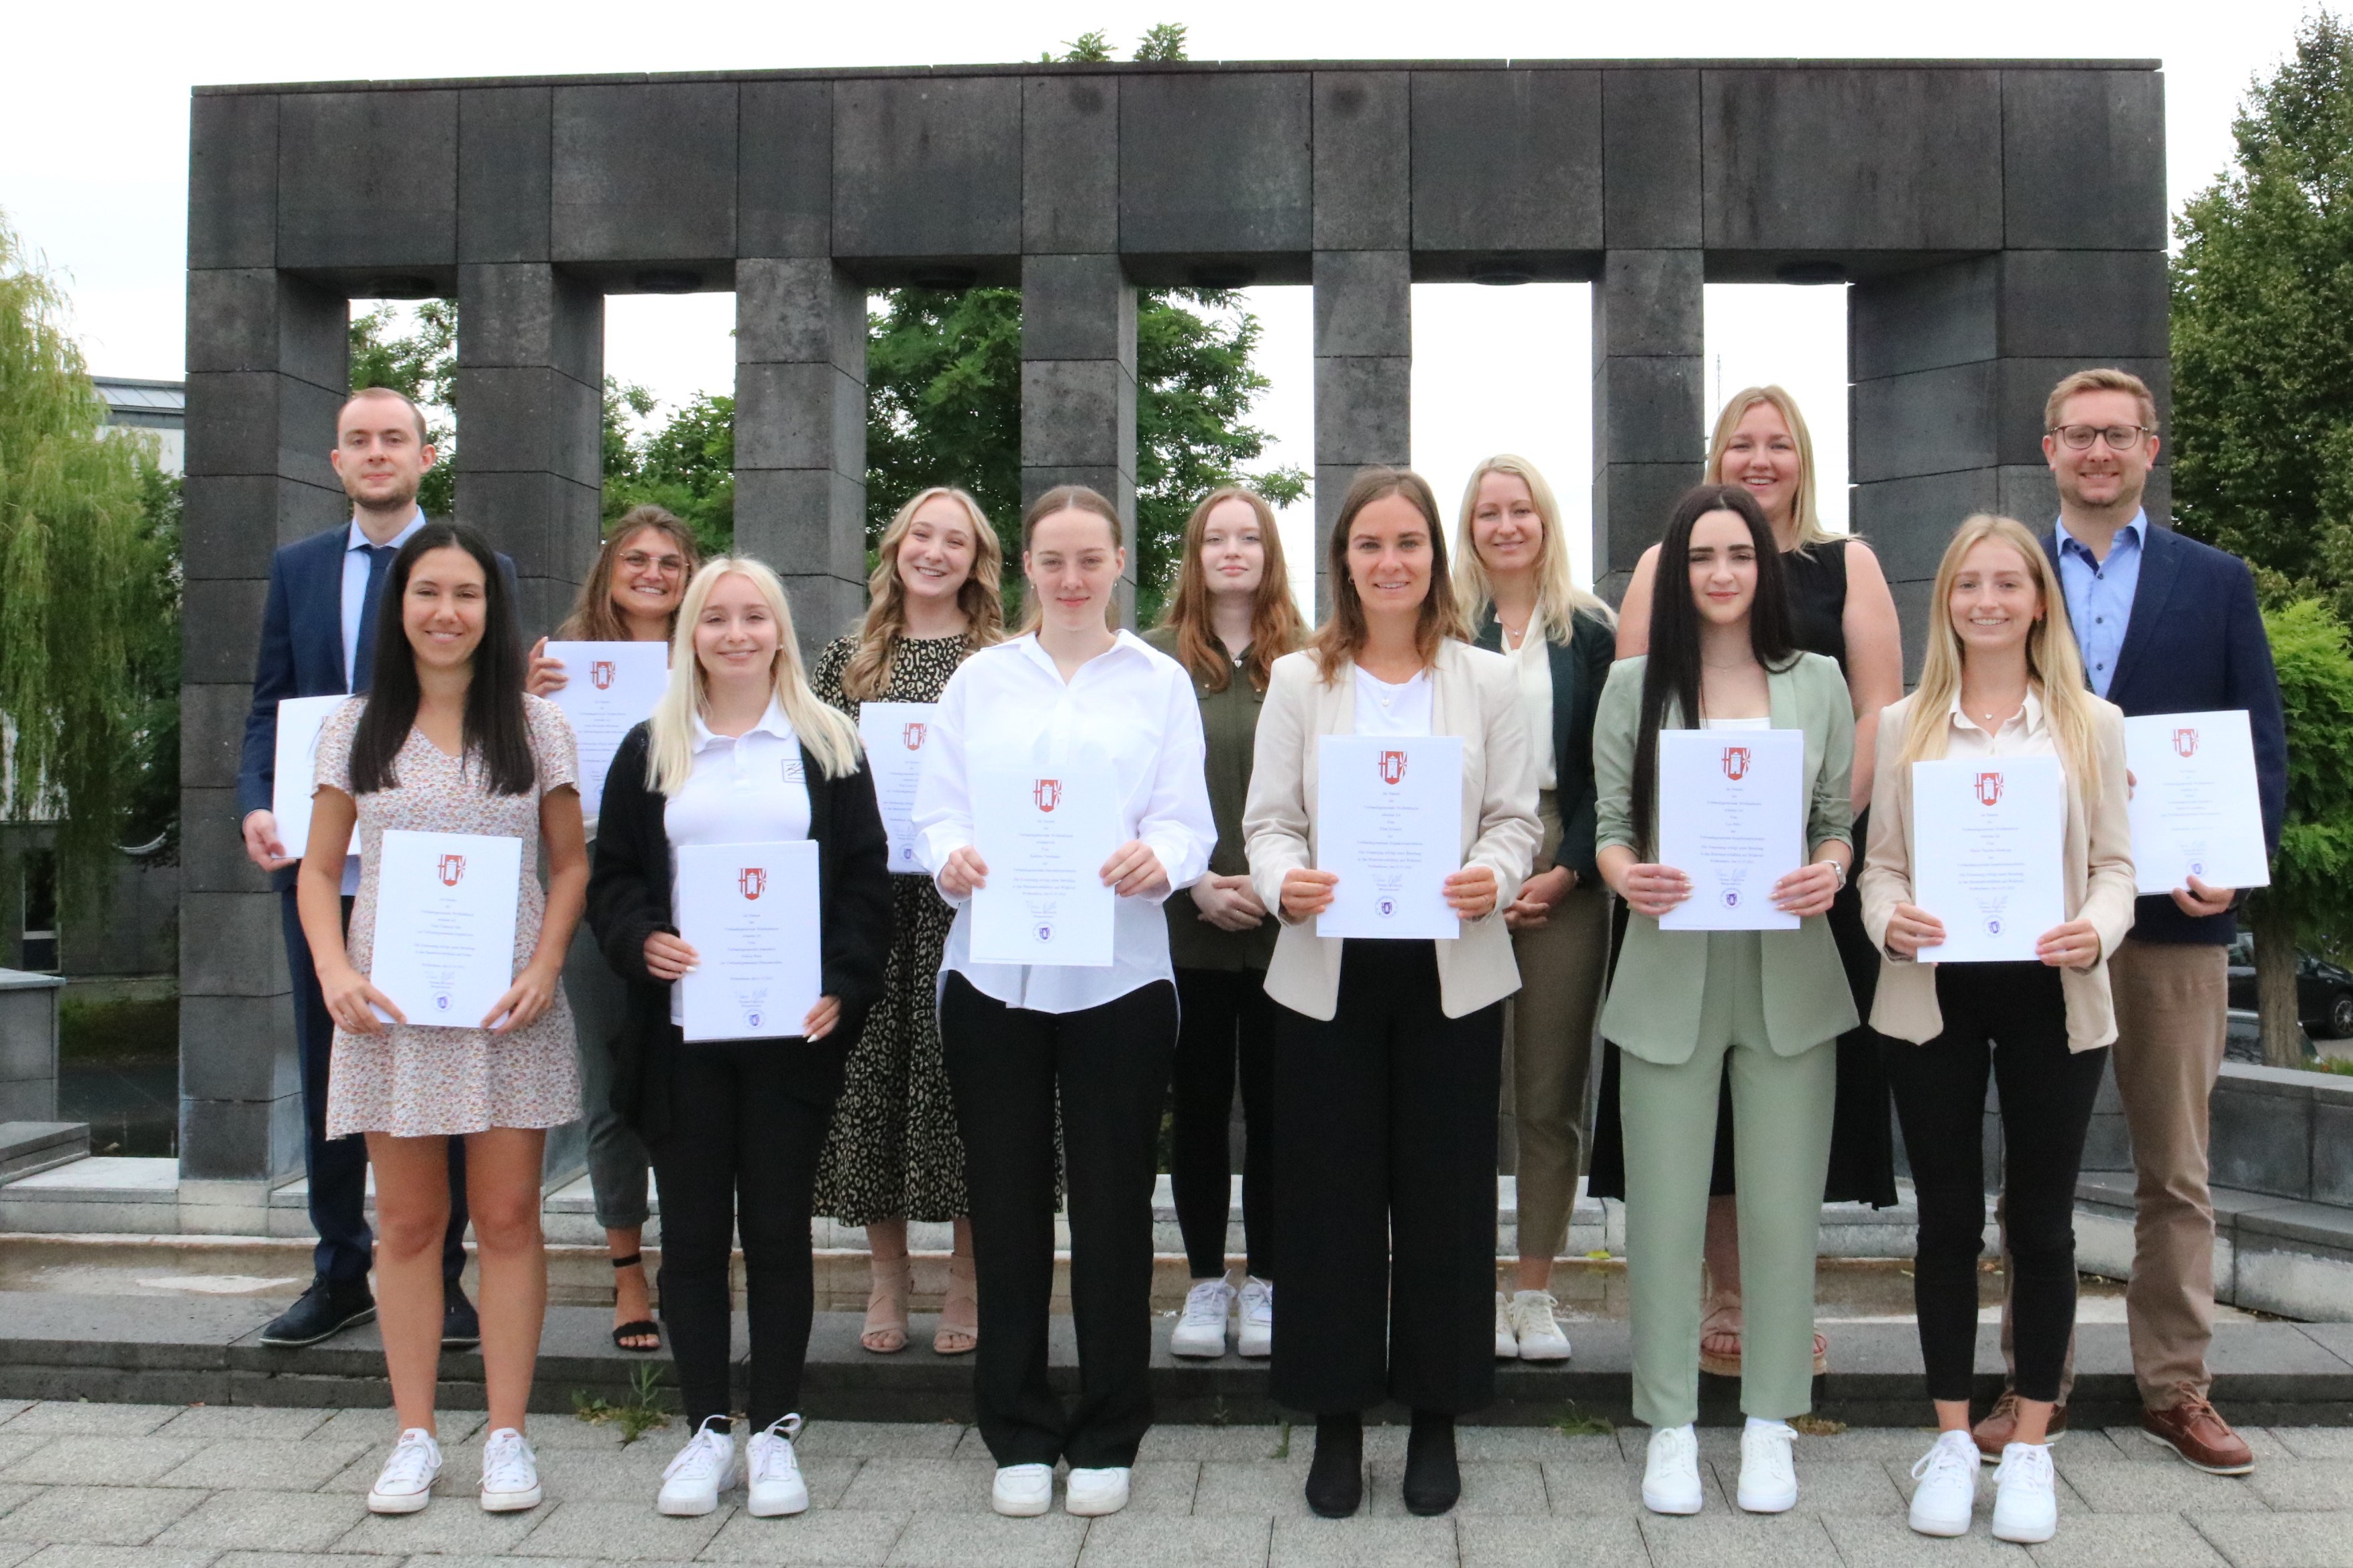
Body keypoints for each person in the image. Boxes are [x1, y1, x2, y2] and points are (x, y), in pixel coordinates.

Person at [1977, 368, 2285, 1473]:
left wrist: (2234, 869)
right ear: (2048, 448)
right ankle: (2033, 1382)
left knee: (2176, 1169)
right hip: (2041, 920)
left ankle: (2176, 1385)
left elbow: (2257, 738)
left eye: (2118, 434)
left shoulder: (2215, 580)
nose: (2097, 452)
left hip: (2172, 920)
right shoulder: (2007, 577)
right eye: (2079, 435)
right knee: (2037, 1170)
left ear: (2150, 447)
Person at [1243, 466, 1541, 1520]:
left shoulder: (1488, 679)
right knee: (1328, 1198)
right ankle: (1334, 1417)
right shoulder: (1297, 680)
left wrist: (1493, 875)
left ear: (1434, 557)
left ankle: (1435, 1415)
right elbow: (1269, 822)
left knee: (1446, 1198)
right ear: (1344, 561)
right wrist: (1284, 880)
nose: (1390, 561)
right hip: (1328, 967)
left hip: (1449, 969)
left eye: (1408, 542)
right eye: (1369, 543)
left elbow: (1516, 818)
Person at [914, 485, 1214, 1521]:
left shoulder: (1159, 683)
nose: (1073, 578)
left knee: (1114, 1206)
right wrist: (952, 855)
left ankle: (1110, 1425)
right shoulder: (981, 680)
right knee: (1004, 1206)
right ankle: (1018, 1426)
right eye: (1053, 560)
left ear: (1120, 561)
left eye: (1091, 559)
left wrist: (1160, 856)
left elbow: (1189, 822)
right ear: (1028, 566)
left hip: (1119, 978)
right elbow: (936, 811)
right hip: (992, 975)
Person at [1603, 386, 1904, 1377]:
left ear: (1803, 457)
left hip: (1799, 882)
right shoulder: (1663, 564)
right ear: (1716, 456)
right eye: (1742, 442)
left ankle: (1779, 1304)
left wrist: (1816, 838)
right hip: (1683, 884)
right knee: (1694, 1105)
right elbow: (1638, 724)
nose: (1760, 458)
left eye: (1779, 443)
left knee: (1789, 1098)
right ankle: (1723, 1296)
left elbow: (1877, 709)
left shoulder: (1846, 563)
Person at [586, 557, 891, 1518]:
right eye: (715, 618)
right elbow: (613, 874)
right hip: (684, 1032)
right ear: (692, 635)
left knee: (778, 1230)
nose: (735, 633)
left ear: (779, 631)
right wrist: (642, 937)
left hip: (790, 1031)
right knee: (692, 1236)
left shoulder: (829, 742)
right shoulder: (652, 745)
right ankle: (707, 1429)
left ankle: (776, 1429)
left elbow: (864, 880)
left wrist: (843, 984)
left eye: (753, 616)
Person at [298, 522, 586, 1516]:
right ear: (400, 606)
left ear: (491, 610)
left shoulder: (537, 726)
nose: (447, 612)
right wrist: (334, 968)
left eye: (467, 594)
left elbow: (571, 864)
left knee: (508, 1219)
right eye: (428, 592)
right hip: (395, 1012)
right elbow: (319, 869)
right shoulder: (355, 726)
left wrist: (546, 964)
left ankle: (507, 1435)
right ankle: (413, 1435)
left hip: (508, 1007)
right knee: (411, 1224)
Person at [1861, 515, 2136, 1545]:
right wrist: (1889, 918)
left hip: (2053, 995)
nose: (1987, 600)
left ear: (2037, 602)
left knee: (2044, 1225)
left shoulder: (2091, 723)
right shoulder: (1904, 723)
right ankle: (1948, 1438)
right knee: (1945, 1220)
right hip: (1932, 995)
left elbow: (2117, 866)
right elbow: (1881, 867)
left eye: (2007, 583)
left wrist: (2095, 929)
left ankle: (2026, 1444)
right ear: (1947, 601)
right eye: (1968, 583)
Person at [1592, 483, 1856, 1518]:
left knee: (1783, 1209)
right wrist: (1628, 877)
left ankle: (1770, 1420)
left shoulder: (1818, 681)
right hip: (1669, 969)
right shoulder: (1634, 686)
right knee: (1662, 1211)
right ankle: (1667, 1423)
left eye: (1739, 554)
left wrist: (1831, 866)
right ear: (1677, 570)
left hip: (1789, 972)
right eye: (1701, 556)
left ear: (1764, 566)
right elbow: (1611, 825)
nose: (1721, 573)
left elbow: (1835, 818)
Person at [235, 386, 480, 1351]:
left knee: (444, 1066)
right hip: (326, 868)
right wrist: (255, 801)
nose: (377, 453)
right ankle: (340, 1269)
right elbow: (269, 704)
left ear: (425, 455)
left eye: (394, 438)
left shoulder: (473, 566)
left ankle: (444, 1277)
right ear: (337, 462)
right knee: (332, 1068)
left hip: (438, 868)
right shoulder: (297, 568)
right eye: (359, 441)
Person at [808, 487, 1005, 1357]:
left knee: (966, 1083)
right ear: (895, 547)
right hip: (871, 907)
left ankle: (966, 1274)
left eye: (954, 540)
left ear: (977, 560)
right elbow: (815, 776)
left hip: (968, 901)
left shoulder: (1000, 661)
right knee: (869, 1085)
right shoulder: (845, 661)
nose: (934, 551)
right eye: (921, 534)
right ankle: (888, 1275)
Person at [1452, 455, 1617, 1363]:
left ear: (1545, 521)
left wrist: (1567, 869)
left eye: (1521, 509)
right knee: (1462, 1085)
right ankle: (1466, 1281)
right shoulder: (1445, 623)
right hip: (1461, 859)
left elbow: (1608, 767)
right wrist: (1475, 866)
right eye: (1489, 512)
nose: (1506, 525)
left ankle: (1534, 1289)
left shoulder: (1588, 629)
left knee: (1548, 1091)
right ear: (1469, 527)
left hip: (1563, 863)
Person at [525, 506, 701, 1353]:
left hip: (694, 877)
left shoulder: (711, 651)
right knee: (610, 1081)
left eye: (670, 561)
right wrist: (525, 705)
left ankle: (694, 1259)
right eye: (636, 558)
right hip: (595, 873)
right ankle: (627, 1266)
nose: (653, 573)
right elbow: (517, 775)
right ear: (609, 570)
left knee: (695, 1078)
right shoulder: (562, 663)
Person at [1146, 487, 1303, 1360]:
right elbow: (1133, 791)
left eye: (1249, 537)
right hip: (1187, 924)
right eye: (1216, 538)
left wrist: (1277, 882)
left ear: (1270, 553)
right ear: (1195, 554)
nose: (1233, 550)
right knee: (1200, 1111)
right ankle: (1206, 1281)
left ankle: (1273, 1280)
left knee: (1281, 1112)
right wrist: (1196, 881)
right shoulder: (1155, 661)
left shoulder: (1312, 659)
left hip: (1290, 926)